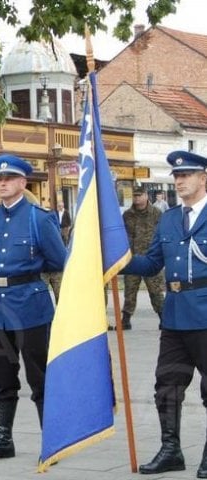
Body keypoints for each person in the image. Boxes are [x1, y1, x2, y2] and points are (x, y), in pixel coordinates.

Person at [0, 155, 67, 461]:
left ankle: (52, 440)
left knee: (38, 376)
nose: (3, 184)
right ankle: (3, 440)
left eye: (9, 179)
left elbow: (58, 259)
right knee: (2, 375)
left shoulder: (39, 218)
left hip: (29, 306)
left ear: (23, 183)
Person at [121, 151, 207, 477]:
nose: (180, 180)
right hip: (174, 317)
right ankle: (171, 450)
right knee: (167, 385)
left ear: (204, 178)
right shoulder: (169, 218)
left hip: (206, 314)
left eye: (187, 174)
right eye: (176, 176)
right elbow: (151, 263)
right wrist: (119, 258)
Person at [111, 185, 165, 331]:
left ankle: (164, 319)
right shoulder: (127, 215)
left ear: (146, 196)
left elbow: (162, 234)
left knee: (156, 291)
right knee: (130, 291)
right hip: (132, 259)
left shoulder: (156, 213)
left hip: (151, 259)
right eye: (134, 196)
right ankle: (126, 320)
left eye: (139, 195)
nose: (137, 198)